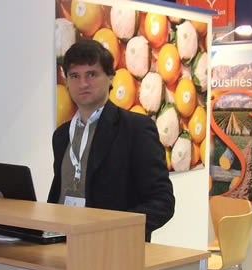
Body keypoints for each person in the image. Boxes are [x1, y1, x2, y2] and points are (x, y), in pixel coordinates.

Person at [48, 40, 174, 242]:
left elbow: (162, 202)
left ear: (110, 77)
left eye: (91, 74)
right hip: (63, 244)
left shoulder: (136, 129)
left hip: (114, 248)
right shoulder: (62, 136)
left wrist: (112, 230)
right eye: (75, 76)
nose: (83, 83)